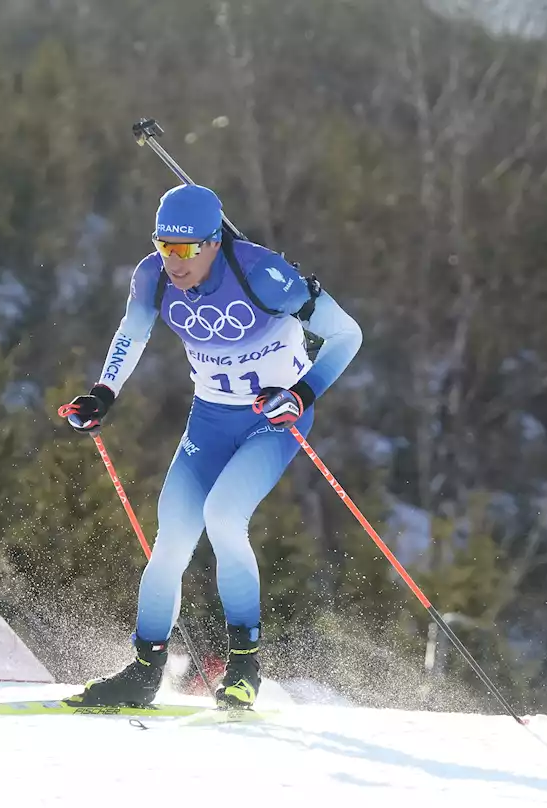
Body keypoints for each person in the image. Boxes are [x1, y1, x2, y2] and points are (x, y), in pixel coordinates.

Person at [59, 183, 363, 709]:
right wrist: (103, 393)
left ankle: (244, 666)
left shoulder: (263, 276)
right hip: (210, 422)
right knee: (172, 537)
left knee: (224, 516)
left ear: (214, 242)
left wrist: (300, 393)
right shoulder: (152, 278)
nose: (172, 261)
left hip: (273, 419)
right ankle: (144, 671)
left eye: (184, 249)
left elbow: (348, 335)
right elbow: (131, 335)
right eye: (162, 245)